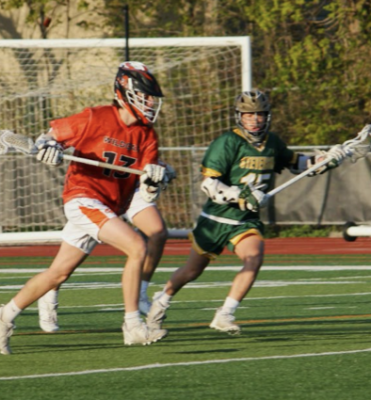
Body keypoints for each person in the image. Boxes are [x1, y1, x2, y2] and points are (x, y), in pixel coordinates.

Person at [0, 61, 169, 354]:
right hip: (83, 198)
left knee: (58, 273)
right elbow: (50, 136)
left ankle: (3, 315)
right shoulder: (96, 117)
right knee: (137, 246)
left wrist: (153, 181)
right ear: (125, 93)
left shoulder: (147, 135)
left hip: (110, 205)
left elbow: (145, 195)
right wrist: (48, 147)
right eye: (145, 96)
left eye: (151, 98)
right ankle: (133, 324)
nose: (150, 103)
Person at [145, 89, 348, 335]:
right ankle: (162, 299)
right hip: (217, 218)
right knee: (191, 271)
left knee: (254, 257)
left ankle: (225, 313)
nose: (254, 120)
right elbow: (209, 185)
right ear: (239, 116)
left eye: (259, 114)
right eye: (248, 115)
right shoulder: (227, 142)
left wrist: (325, 160)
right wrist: (241, 195)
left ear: (267, 116)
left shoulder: (273, 142)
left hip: (245, 220)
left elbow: (297, 164)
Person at [35, 161, 176, 332]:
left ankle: (140, 293)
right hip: (100, 189)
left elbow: (146, 153)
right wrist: (50, 144)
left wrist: (157, 167)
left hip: (133, 187)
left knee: (158, 232)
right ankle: (48, 294)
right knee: (66, 265)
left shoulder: (145, 134)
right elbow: (66, 138)